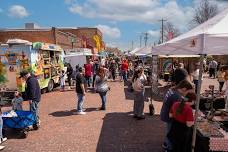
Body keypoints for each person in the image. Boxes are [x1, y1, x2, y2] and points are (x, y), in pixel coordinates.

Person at [160, 80, 193, 151]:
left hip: (165, 112)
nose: (186, 94)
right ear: (184, 89)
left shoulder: (172, 89)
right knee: (170, 134)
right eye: (187, 92)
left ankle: (166, 144)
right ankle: (169, 148)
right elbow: (178, 110)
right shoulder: (177, 96)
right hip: (168, 116)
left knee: (169, 132)